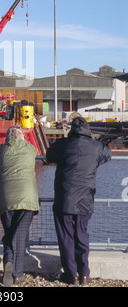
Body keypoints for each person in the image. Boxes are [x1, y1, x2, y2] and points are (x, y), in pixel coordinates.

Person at [46, 116, 112, 285]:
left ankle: (71, 274)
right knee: (82, 234)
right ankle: (84, 273)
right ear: (88, 130)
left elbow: (49, 155)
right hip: (85, 198)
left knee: (66, 237)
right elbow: (107, 154)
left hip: (64, 198)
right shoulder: (97, 147)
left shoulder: (62, 144)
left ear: (71, 129)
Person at [0, 124, 39, 287]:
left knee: (10, 234)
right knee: (19, 236)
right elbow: (37, 153)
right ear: (22, 137)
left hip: (6, 198)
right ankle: (17, 274)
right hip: (27, 198)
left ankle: (8, 261)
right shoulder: (30, 149)